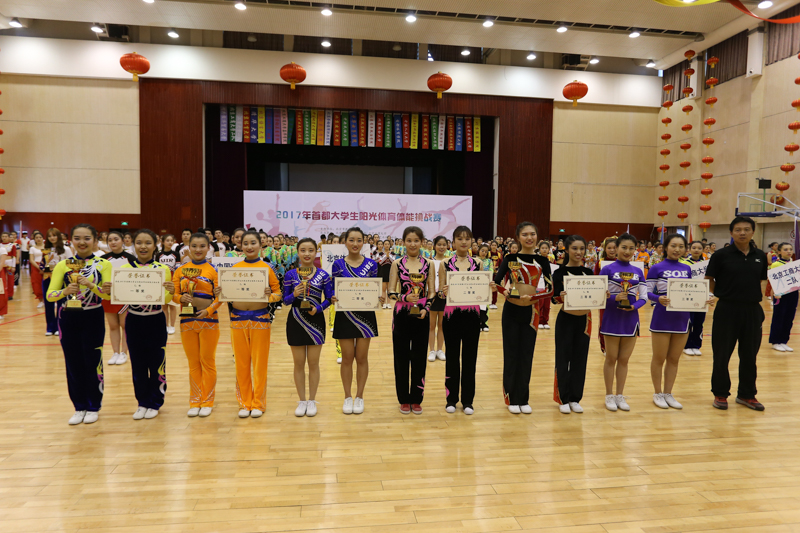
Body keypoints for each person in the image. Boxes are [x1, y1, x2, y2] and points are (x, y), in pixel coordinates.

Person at [46, 224, 112, 425]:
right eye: (77, 238)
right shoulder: (62, 265)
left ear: (95, 240)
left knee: (93, 361)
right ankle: (79, 406)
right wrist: (64, 292)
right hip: (68, 317)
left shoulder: (103, 264)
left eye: (87, 238)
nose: (82, 242)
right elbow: (50, 295)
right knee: (73, 362)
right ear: (71, 240)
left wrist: (91, 285)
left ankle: (93, 405)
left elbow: (107, 295)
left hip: (93, 316)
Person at [706, 216, 767, 411]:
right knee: (722, 354)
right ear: (731, 233)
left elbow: (761, 280)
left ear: (753, 232)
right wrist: (720, 294)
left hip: (752, 310)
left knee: (749, 355)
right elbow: (709, 278)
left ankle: (747, 395)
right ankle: (720, 393)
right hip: (727, 309)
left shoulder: (760, 255)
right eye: (738, 229)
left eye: (746, 229)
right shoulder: (721, 255)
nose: (742, 233)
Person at [493, 221, 553, 414]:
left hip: (531, 312)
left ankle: (523, 398)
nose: (529, 238)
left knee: (526, 354)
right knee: (511, 354)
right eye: (525, 234)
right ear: (518, 237)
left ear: (537, 237)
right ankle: (511, 398)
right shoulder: (510, 258)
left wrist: (534, 297)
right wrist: (505, 292)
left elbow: (551, 289)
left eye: (532, 234)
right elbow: (496, 282)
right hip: (511, 310)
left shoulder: (543, 261)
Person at [439, 226, 493, 415]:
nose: (463, 242)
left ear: (472, 241)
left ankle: (468, 401)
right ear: (453, 242)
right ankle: (451, 399)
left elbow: (481, 290)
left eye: (467, 238)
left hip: (472, 316)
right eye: (459, 238)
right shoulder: (445, 263)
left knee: (470, 359)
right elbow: (439, 292)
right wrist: (443, 291)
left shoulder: (478, 263)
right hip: (451, 316)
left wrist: (489, 288)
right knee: (452, 358)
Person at [647, 234, 704, 410]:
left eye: (681, 246)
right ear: (665, 247)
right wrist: (658, 298)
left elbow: (693, 292)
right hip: (661, 318)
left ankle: (668, 393)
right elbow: (646, 292)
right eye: (673, 245)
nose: (677, 249)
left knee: (674, 359)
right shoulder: (656, 268)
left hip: (682, 319)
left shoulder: (687, 269)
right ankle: (657, 393)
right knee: (659, 358)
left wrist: (705, 298)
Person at [229, 230, 282, 418]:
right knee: (241, 364)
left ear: (260, 245)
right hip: (237, 319)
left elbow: (278, 293)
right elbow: (226, 294)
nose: (249, 246)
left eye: (253, 243)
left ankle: (258, 403)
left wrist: (269, 296)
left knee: (260, 364)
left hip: (260, 319)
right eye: (245, 243)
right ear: (240, 245)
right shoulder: (234, 268)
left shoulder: (267, 268)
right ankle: (245, 403)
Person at [121, 229, 173, 420]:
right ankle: (142, 402)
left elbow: (165, 299)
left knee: (157, 362)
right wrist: (110, 289)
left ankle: (156, 401)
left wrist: (170, 291)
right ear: (133, 245)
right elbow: (118, 297)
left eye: (148, 243)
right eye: (139, 243)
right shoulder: (125, 269)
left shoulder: (162, 269)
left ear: (155, 246)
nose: (143, 246)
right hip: (134, 320)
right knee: (137, 364)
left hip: (155, 320)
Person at [172, 233, 223, 417]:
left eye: (202, 246)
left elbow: (220, 297)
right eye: (194, 246)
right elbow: (173, 294)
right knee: (193, 363)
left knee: (207, 361)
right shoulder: (180, 270)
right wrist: (180, 298)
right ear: (188, 247)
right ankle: (195, 401)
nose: (198, 249)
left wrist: (208, 311)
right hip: (187, 321)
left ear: (208, 247)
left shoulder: (214, 270)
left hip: (209, 321)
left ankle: (207, 401)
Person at [331, 227, 381, 415]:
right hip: (344, 315)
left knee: (361, 358)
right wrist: (333, 296)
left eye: (359, 240)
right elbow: (333, 288)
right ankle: (347, 396)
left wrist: (379, 297)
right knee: (346, 358)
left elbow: (374, 288)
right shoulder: (337, 264)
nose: (355, 244)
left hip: (365, 317)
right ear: (345, 242)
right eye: (351, 240)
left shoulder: (371, 264)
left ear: (363, 242)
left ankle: (359, 396)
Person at [388, 226, 435, 414]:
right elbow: (391, 292)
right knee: (400, 357)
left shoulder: (429, 264)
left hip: (422, 314)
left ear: (422, 242)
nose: (413, 244)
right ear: (403, 242)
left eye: (416, 240)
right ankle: (403, 399)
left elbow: (432, 291)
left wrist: (426, 308)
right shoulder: (396, 263)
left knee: (419, 357)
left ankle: (416, 398)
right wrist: (404, 297)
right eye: (409, 240)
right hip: (401, 314)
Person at [284, 238, 333, 417]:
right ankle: (302, 400)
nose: (307, 254)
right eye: (303, 250)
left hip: (315, 321)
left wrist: (318, 309)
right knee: (298, 363)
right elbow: (285, 300)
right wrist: (294, 294)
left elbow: (329, 298)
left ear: (316, 252)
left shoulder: (323, 275)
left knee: (313, 363)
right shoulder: (290, 275)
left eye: (311, 250)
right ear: (298, 252)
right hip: (295, 321)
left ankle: (312, 400)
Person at [599, 233, 647, 412]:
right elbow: (599, 295)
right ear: (616, 248)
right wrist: (614, 299)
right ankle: (609, 395)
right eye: (624, 247)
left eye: (631, 248)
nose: (627, 251)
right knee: (611, 358)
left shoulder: (638, 271)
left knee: (624, 360)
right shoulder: (607, 269)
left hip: (631, 320)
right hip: (612, 318)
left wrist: (634, 307)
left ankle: (620, 395)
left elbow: (643, 297)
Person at [551, 235, 596, 414]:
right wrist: (560, 296)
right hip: (566, 320)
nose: (579, 252)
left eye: (582, 249)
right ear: (567, 250)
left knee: (580, 360)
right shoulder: (559, 273)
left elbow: (594, 295)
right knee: (563, 359)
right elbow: (553, 299)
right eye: (575, 248)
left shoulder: (589, 273)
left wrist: (602, 294)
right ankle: (563, 398)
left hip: (585, 321)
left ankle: (575, 398)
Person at [102, 231, 136, 365]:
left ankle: (124, 353)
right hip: (108, 296)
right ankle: (115, 352)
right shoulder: (103, 259)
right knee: (113, 326)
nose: (113, 242)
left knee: (124, 325)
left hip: (125, 296)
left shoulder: (130, 258)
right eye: (110, 240)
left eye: (116, 239)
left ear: (123, 240)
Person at [681, 241, 708, 355]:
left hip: (701, 297)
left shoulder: (706, 264)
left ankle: (696, 345)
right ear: (689, 249)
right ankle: (686, 345)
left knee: (699, 322)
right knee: (689, 321)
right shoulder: (684, 263)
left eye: (699, 248)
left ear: (703, 250)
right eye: (694, 247)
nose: (696, 250)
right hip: (688, 296)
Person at [769, 243, 797, 353]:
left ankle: (784, 341)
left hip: (793, 293)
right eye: (785, 249)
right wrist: (775, 292)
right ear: (779, 252)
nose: (789, 251)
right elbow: (774, 280)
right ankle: (775, 341)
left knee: (789, 318)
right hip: (780, 294)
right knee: (779, 317)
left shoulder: (794, 263)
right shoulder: (776, 264)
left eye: (790, 249)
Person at [155, 234, 181, 335]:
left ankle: (172, 326)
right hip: (162, 283)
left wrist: (175, 282)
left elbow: (177, 269)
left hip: (172, 282)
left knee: (172, 306)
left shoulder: (176, 254)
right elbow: (156, 269)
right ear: (163, 242)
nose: (170, 242)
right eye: (167, 240)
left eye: (171, 240)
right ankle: (165, 325)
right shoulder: (158, 255)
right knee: (164, 306)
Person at [427, 236, 448, 363]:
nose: (441, 247)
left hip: (445, 297)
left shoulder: (449, 262)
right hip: (432, 296)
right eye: (439, 244)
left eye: (444, 244)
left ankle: (440, 350)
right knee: (431, 325)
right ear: (434, 246)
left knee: (442, 325)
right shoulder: (429, 262)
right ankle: (431, 350)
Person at [595, 237, 618, 354]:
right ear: (604, 249)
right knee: (604, 321)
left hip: (619, 297)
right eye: (609, 248)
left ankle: (616, 346)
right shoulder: (600, 263)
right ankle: (604, 346)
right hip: (604, 298)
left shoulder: (622, 262)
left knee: (617, 321)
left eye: (614, 247)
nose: (612, 250)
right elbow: (596, 279)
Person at [536, 241, 554, 330]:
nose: (544, 250)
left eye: (546, 248)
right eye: (542, 248)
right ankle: (539, 321)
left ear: (549, 250)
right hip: (539, 283)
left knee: (547, 305)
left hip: (548, 283)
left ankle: (545, 321)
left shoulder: (551, 259)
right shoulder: (536, 259)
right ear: (539, 249)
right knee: (540, 303)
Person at [28, 232, 46, 308]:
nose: (38, 239)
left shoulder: (47, 247)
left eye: (40, 237)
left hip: (46, 266)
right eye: (37, 237)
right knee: (36, 284)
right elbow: (31, 260)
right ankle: (41, 301)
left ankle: (50, 300)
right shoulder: (32, 248)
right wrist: (40, 268)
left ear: (43, 238)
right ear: (34, 239)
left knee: (48, 283)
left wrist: (45, 267)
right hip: (36, 267)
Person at [376, 240, 394, 309]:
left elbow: (393, 262)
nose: (387, 245)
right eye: (385, 244)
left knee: (389, 289)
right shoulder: (381, 254)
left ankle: (388, 303)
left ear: (390, 245)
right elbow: (380, 262)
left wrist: (389, 256)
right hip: (383, 272)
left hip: (390, 272)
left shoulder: (393, 253)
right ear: (383, 245)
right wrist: (386, 256)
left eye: (388, 244)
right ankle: (383, 303)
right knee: (383, 289)